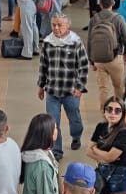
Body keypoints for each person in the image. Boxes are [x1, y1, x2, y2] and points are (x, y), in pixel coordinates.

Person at [38, 13, 91, 157]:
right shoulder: (48, 42)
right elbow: (43, 65)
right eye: (53, 25)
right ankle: (56, 150)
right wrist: (41, 85)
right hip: (52, 91)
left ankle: (76, 135)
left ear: (67, 26)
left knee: (74, 118)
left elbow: (84, 66)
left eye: (59, 25)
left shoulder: (75, 42)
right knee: (53, 123)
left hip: (71, 92)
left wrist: (80, 87)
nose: (56, 28)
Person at [88, 97, 126, 194]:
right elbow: (88, 151)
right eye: (109, 109)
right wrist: (104, 158)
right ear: (104, 111)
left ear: (123, 113)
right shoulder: (101, 127)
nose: (112, 113)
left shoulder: (124, 132)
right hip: (102, 173)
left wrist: (96, 149)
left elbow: (110, 157)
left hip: (119, 176)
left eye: (117, 110)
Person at [88, 0, 126, 104]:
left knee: (103, 89)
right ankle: (119, 110)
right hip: (116, 58)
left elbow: (90, 41)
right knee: (118, 87)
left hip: (99, 60)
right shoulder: (118, 18)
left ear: (100, 3)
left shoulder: (94, 19)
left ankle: (104, 112)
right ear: (113, 2)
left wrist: (91, 61)